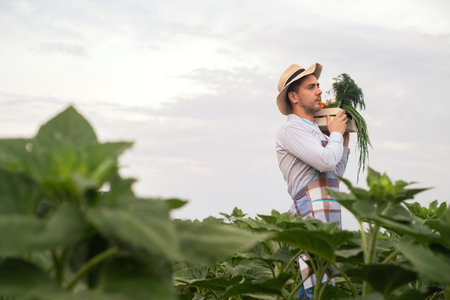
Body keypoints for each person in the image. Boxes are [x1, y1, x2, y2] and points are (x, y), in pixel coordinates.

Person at [274, 63, 350, 299]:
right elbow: (326, 162)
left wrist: (343, 140)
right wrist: (335, 134)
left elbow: (334, 174)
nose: (319, 91)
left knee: (325, 289)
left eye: (318, 85)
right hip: (310, 220)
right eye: (311, 87)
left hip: (327, 218)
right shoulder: (292, 130)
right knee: (312, 289)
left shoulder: (315, 130)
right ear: (294, 96)